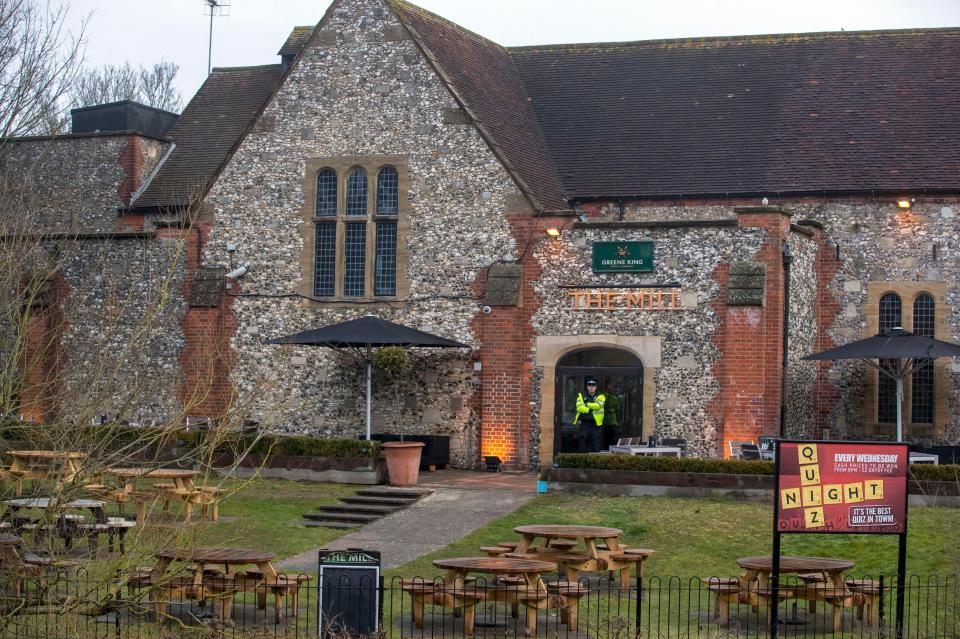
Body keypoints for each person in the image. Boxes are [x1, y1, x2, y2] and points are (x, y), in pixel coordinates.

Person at [574, 377, 606, 452]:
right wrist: (591, 408)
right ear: (587, 387)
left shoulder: (601, 396)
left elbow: (597, 406)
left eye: (593, 386)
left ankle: (596, 463)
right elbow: (579, 408)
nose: (591, 388)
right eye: (589, 385)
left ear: (596, 387)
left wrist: (586, 404)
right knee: (583, 444)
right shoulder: (581, 395)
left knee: (596, 445)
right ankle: (582, 461)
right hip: (584, 424)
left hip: (596, 425)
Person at [603, 380, 620, 448]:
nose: (611, 387)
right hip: (606, 422)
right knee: (606, 440)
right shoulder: (604, 395)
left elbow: (617, 407)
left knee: (614, 440)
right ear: (607, 386)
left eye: (612, 385)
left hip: (614, 422)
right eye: (610, 385)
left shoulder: (614, 396)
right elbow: (604, 407)